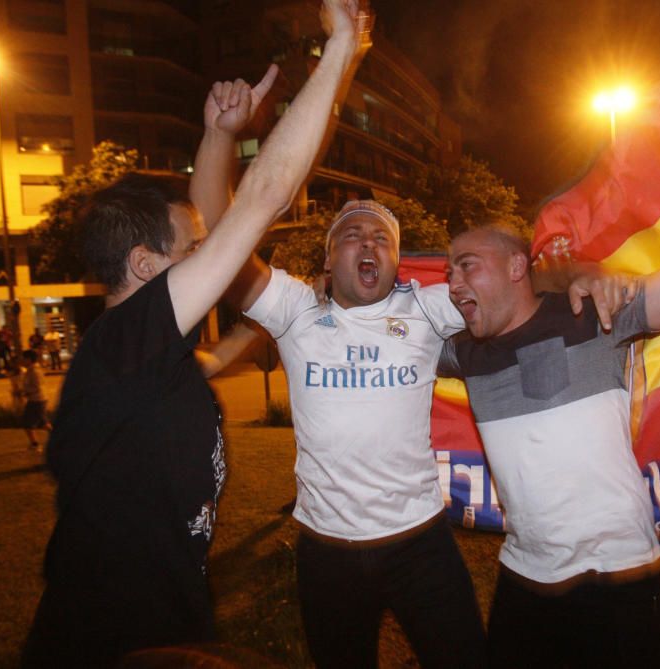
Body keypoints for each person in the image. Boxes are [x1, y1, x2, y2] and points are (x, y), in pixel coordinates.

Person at [189, 60, 627, 669]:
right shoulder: (292, 308)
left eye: (381, 239)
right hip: (328, 552)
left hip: (421, 544)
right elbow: (221, 231)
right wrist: (219, 134)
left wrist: (580, 270)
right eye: (352, 235)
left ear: (396, 262)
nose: (368, 244)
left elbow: (513, 284)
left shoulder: (426, 307)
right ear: (327, 260)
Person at [21, 3, 368, 666]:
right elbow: (264, 196)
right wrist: (342, 47)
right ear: (144, 266)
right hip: (110, 644)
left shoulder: (148, 358)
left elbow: (206, 363)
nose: (217, 260)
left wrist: (217, 135)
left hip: (172, 625)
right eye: (197, 250)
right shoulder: (123, 344)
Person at [439, 12, 660, 667]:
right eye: (449, 269)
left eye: (466, 264)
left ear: (517, 266)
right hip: (521, 586)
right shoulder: (464, 351)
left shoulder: (591, 313)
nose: (452, 282)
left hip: (619, 584)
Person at [20, 349, 52, 450]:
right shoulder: (31, 370)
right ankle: (34, 444)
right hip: (35, 399)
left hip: (37, 400)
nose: (22, 361)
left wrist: (25, 392)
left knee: (34, 423)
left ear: (29, 359)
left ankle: (36, 444)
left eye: (24, 359)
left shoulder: (35, 371)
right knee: (40, 423)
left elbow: (38, 387)